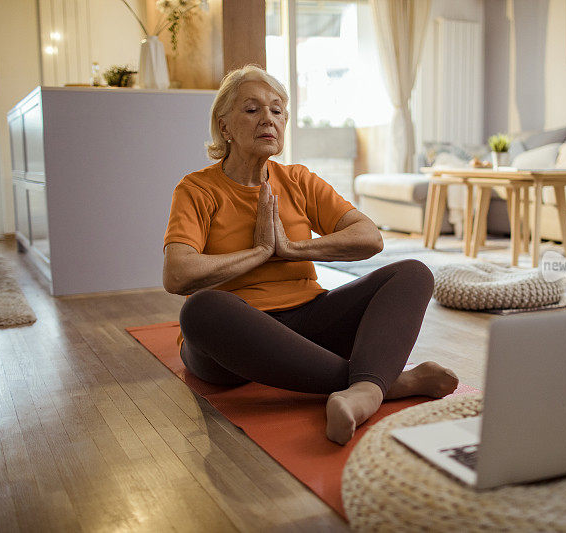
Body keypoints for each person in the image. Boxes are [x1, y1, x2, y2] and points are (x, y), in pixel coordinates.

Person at [162, 65, 458, 445]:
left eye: (277, 110)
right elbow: (177, 275)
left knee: (412, 273)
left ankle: (363, 392)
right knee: (199, 310)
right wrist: (258, 253)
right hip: (235, 340)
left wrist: (291, 250)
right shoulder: (197, 189)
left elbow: (369, 238)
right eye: (252, 110)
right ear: (225, 127)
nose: (268, 119)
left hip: (310, 323)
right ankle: (384, 383)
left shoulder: (298, 180)